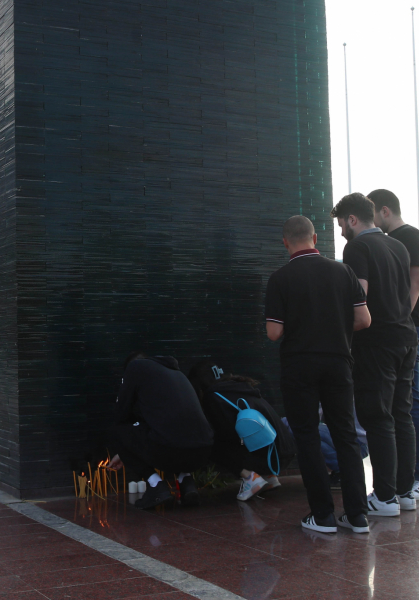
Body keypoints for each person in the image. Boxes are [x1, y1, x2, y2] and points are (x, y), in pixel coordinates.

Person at [265, 214, 371, 533]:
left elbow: (273, 332)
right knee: (345, 435)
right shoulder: (343, 271)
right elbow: (364, 320)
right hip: (339, 362)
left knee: (307, 435)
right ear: (314, 239)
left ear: (285, 243)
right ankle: (357, 515)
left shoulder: (280, 278)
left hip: (299, 365)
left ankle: (322, 515)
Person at [334, 193, 418, 517]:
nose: (342, 231)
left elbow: (360, 297)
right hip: (405, 337)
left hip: (376, 342)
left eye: (342, 224)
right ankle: (404, 492)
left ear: (352, 219)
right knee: (402, 415)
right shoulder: (398, 246)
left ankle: (383, 497)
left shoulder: (357, 248)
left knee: (378, 417)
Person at [370, 189, 419, 502]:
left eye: (372, 213)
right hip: (401, 327)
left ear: (384, 211)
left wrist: (401, 320)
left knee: (410, 400)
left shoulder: (410, 237)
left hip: (409, 326)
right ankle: (403, 476)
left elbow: (416, 283)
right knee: (399, 402)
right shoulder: (389, 241)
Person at [105, 353, 214, 509]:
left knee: (119, 429)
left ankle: (156, 486)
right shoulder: (175, 373)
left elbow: (121, 413)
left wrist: (125, 449)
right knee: (174, 432)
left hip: (170, 449)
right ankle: (187, 483)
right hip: (203, 452)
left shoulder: (135, 367)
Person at [187, 359, 296, 503]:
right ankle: (269, 477)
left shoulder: (214, 396)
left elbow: (226, 434)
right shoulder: (241, 387)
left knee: (210, 443)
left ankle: (250, 478)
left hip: (269, 457)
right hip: (283, 453)